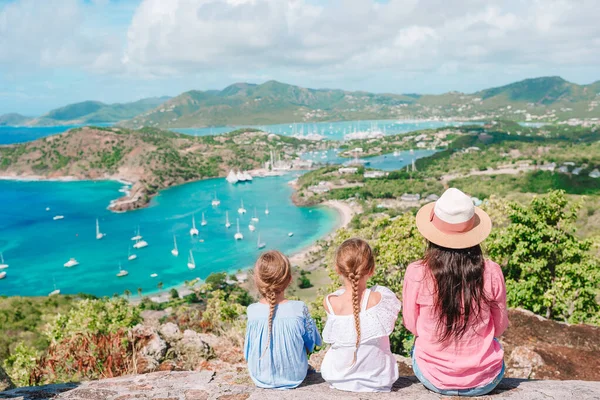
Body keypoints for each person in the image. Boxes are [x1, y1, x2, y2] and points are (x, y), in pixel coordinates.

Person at [403, 187, 509, 396]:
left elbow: (412, 325)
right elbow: (499, 327)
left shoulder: (417, 272)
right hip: (485, 379)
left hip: (433, 377)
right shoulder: (492, 271)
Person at [321, 238, 401, 392]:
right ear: (371, 270)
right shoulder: (381, 298)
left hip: (339, 380)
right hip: (378, 381)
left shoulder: (331, 302)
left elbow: (343, 296)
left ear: (337, 269)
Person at [244, 250, 321, 389]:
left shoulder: (252, 311)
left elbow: (248, 351)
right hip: (295, 376)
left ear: (257, 281)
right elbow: (311, 344)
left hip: (260, 377)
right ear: (289, 280)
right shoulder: (299, 309)